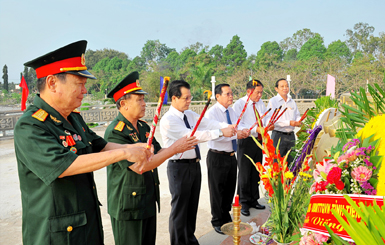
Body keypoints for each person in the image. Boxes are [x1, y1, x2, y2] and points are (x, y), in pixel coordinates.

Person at [14, 40, 153, 245]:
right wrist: (124, 154)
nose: (85, 91)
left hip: (86, 225)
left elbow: (100, 145)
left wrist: (133, 147)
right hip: (56, 234)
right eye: (79, 84)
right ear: (52, 83)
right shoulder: (31, 126)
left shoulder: (73, 118)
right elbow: (64, 166)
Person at [104, 72, 198, 245]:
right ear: (123, 104)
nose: (144, 104)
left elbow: (159, 152)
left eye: (143, 99)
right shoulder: (116, 132)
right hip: (128, 206)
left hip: (146, 199)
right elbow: (141, 166)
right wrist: (175, 149)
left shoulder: (143, 127)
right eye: (139, 100)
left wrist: (171, 150)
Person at [160, 80, 236, 245]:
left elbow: (208, 123)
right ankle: (179, 242)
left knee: (192, 207)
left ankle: (190, 239)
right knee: (180, 209)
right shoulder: (169, 120)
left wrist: (229, 126)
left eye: (190, 97)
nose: (189, 101)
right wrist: (220, 132)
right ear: (174, 98)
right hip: (178, 168)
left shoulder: (189, 114)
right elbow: (192, 136)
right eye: (186, 98)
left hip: (194, 165)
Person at [204, 84, 250, 235]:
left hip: (231, 155)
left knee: (230, 188)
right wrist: (238, 134)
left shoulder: (232, 110)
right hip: (217, 155)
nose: (231, 96)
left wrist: (244, 130)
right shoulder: (212, 113)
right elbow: (219, 133)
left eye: (231, 93)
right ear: (218, 96)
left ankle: (226, 215)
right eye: (227, 94)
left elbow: (238, 125)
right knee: (217, 190)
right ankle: (217, 220)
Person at [232, 79, 273, 217]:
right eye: (257, 92)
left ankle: (253, 199)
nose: (260, 95)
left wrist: (268, 125)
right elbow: (239, 123)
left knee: (256, 170)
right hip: (246, 140)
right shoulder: (239, 104)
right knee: (244, 173)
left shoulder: (260, 103)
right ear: (249, 91)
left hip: (258, 140)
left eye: (261, 92)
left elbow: (264, 117)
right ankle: (243, 202)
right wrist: (256, 129)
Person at [267, 78, 301, 164]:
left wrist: (299, 122)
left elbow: (297, 115)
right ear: (276, 89)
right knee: (277, 163)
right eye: (282, 86)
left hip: (291, 137)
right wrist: (289, 123)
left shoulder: (292, 101)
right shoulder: (273, 101)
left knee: (291, 163)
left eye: (287, 86)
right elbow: (271, 120)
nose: (285, 88)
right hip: (278, 136)